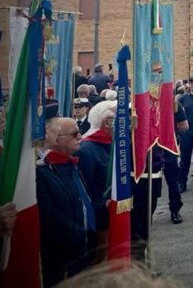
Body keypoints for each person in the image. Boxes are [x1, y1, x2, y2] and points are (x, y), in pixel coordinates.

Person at [37, 117, 94, 286]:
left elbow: (83, 201)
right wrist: (78, 236)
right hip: (62, 254)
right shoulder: (42, 169)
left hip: (82, 248)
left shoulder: (69, 164)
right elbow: (48, 216)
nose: (80, 137)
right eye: (74, 133)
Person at [76, 100, 116, 261]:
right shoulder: (87, 150)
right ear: (108, 122)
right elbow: (85, 191)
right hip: (101, 219)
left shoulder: (112, 143)